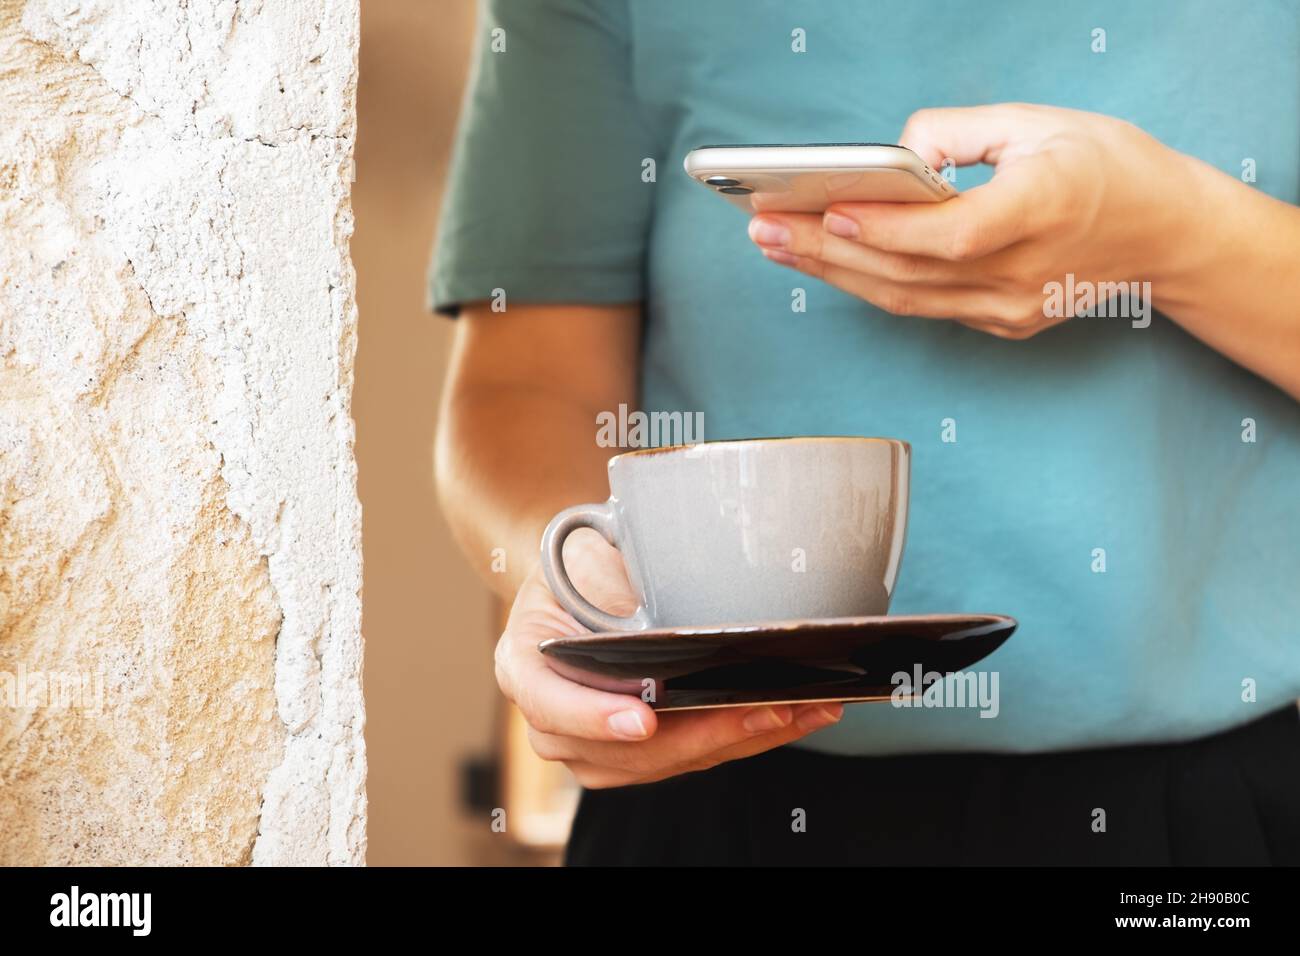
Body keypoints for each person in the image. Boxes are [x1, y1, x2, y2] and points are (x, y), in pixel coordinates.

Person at [430, 0, 1300, 864]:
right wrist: (576, 580)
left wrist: (1174, 239)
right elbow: (525, 385)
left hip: (1228, 814)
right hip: (716, 795)